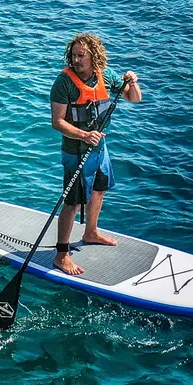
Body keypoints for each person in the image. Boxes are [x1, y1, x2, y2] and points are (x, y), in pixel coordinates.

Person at [49, 33, 143, 277]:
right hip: (76, 151)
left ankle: (90, 232)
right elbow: (57, 122)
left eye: (81, 55)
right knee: (73, 203)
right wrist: (83, 135)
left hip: (100, 149)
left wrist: (132, 82)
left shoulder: (106, 76)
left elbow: (134, 99)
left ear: (94, 56)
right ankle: (61, 255)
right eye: (73, 55)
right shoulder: (64, 83)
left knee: (99, 190)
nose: (76, 60)